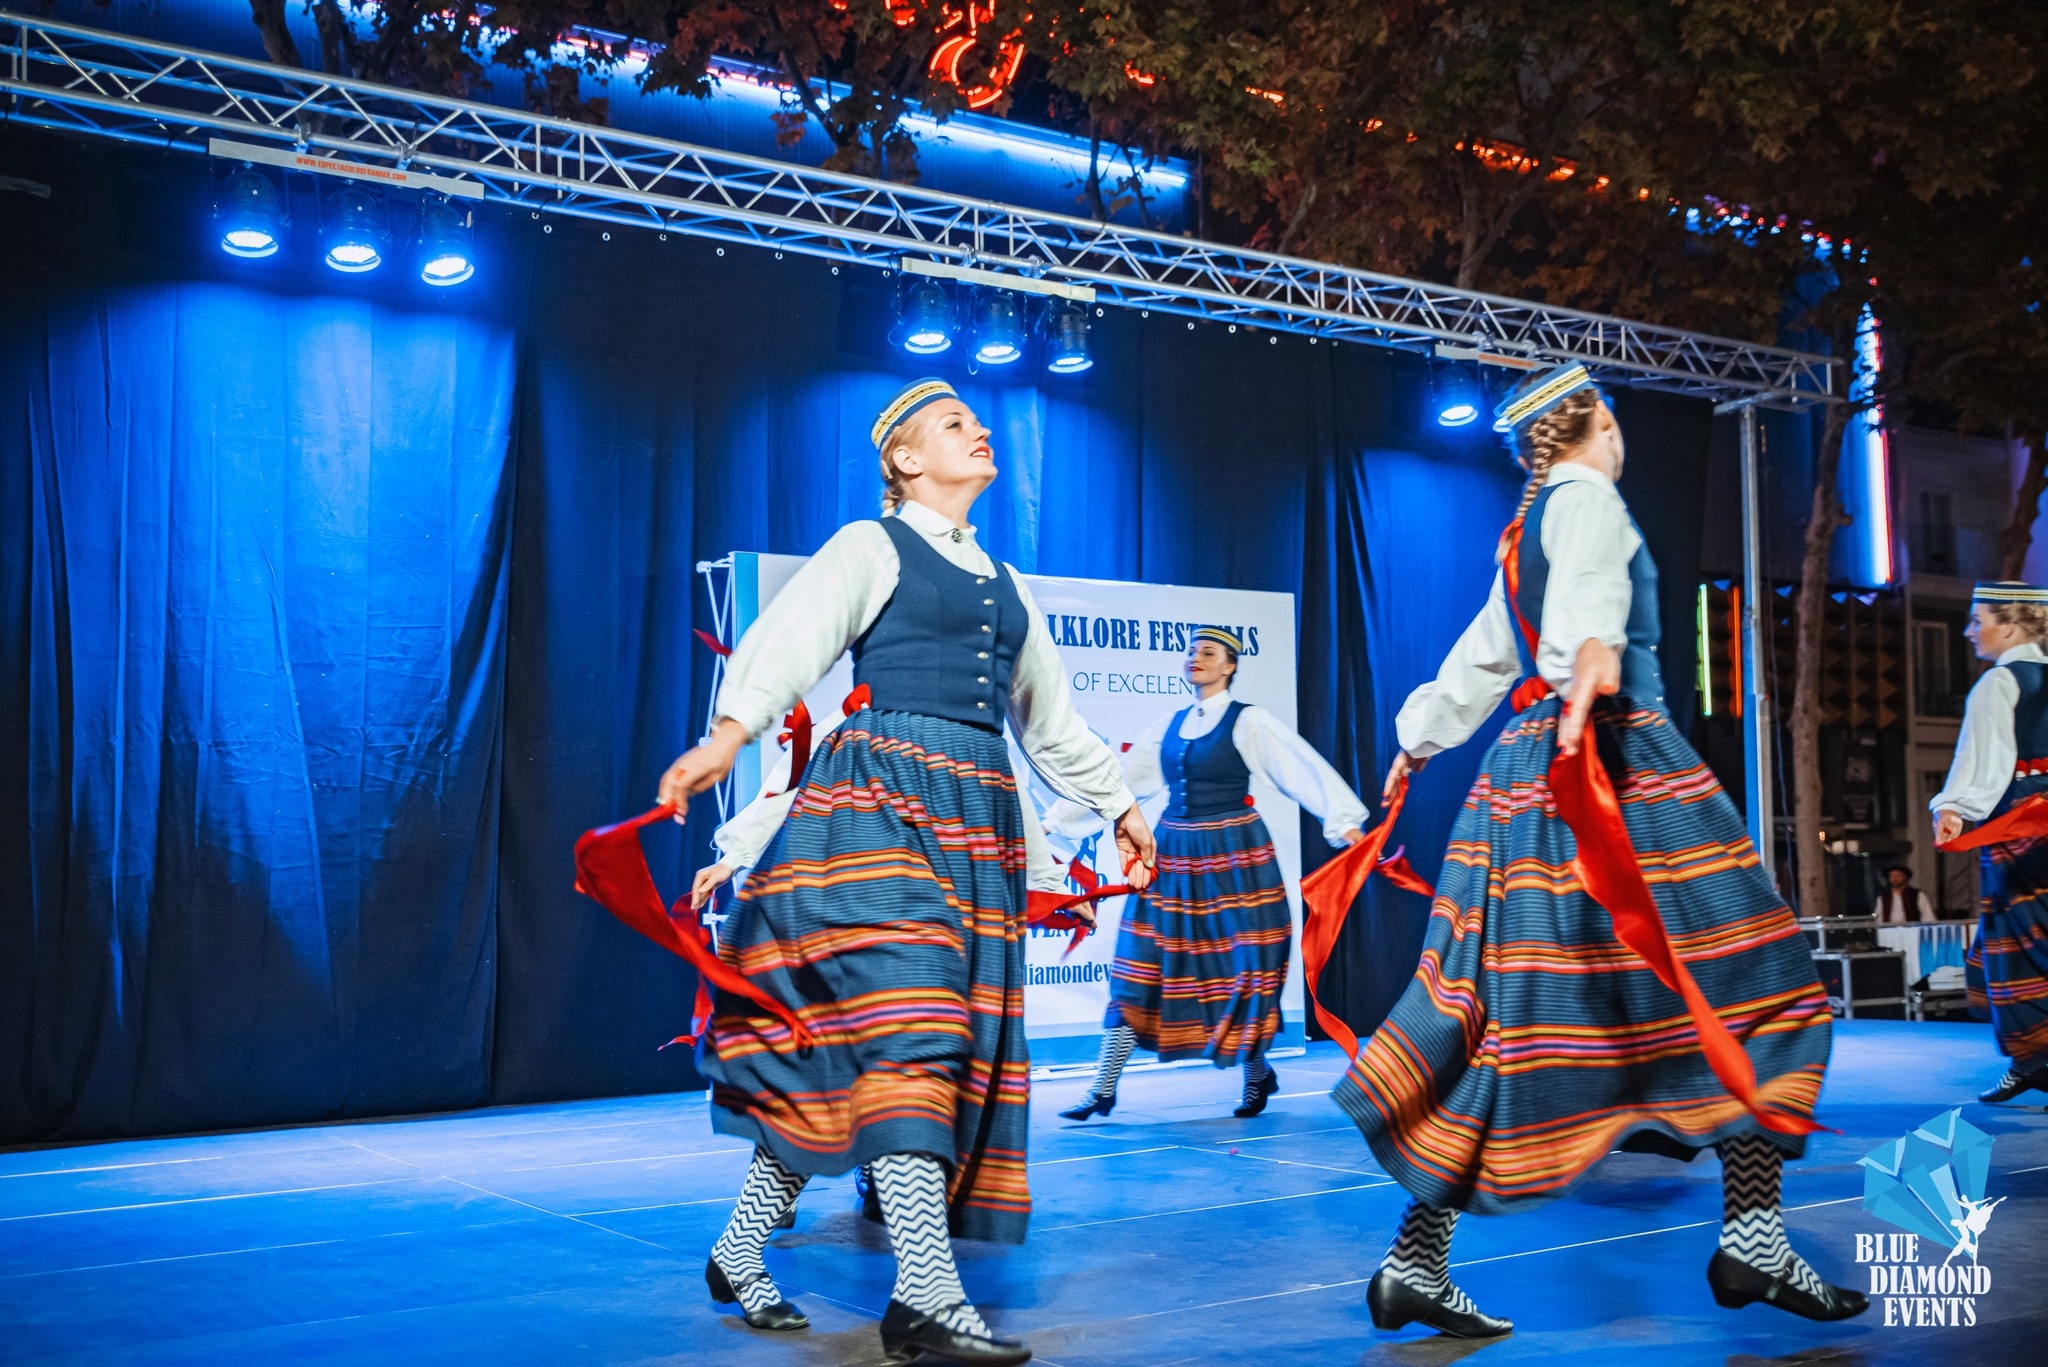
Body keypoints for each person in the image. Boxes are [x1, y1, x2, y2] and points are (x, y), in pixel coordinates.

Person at [1332, 364, 1861, 1338]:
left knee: (1499, 1019)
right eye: (1612, 419)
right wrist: (1584, 677)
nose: (1619, 435)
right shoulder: (1586, 498)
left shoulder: (1520, 531)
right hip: (1607, 761)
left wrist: (1415, 738)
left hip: (1524, 775)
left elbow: (1480, 657)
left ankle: (1413, 1258)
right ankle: (1749, 1231)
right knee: (1757, 984)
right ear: (1598, 423)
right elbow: (1580, 615)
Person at [657, 378, 1155, 1365]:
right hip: (875, 805)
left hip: (974, 826)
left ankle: (738, 1245)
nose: (977, 430)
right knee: (912, 1027)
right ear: (904, 460)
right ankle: (924, 1289)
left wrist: (1124, 808)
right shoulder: (871, 545)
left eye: (976, 421)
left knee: (870, 1056)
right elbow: (787, 640)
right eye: (951, 424)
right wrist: (727, 735)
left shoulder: (1009, 587)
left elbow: (1050, 726)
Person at [1057, 628, 1368, 1121]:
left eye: (1209, 653)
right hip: (1175, 855)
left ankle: (1255, 1075)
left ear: (1230, 666)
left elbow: (1299, 767)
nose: (1195, 659)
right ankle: (1103, 1086)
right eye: (1191, 652)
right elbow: (1118, 783)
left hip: (1235, 859)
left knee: (1242, 967)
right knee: (1141, 961)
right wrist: (1056, 829)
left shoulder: (1250, 723)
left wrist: (1344, 823)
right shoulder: (1169, 725)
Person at [1930, 581, 2048, 1104]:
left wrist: (1955, 807)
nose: (1970, 630)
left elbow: (1986, 762)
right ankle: (2033, 1064)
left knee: (2019, 946)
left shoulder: (2000, 683)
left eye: (1979, 620)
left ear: (2013, 623)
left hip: (2020, 823)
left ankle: (2032, 1061)